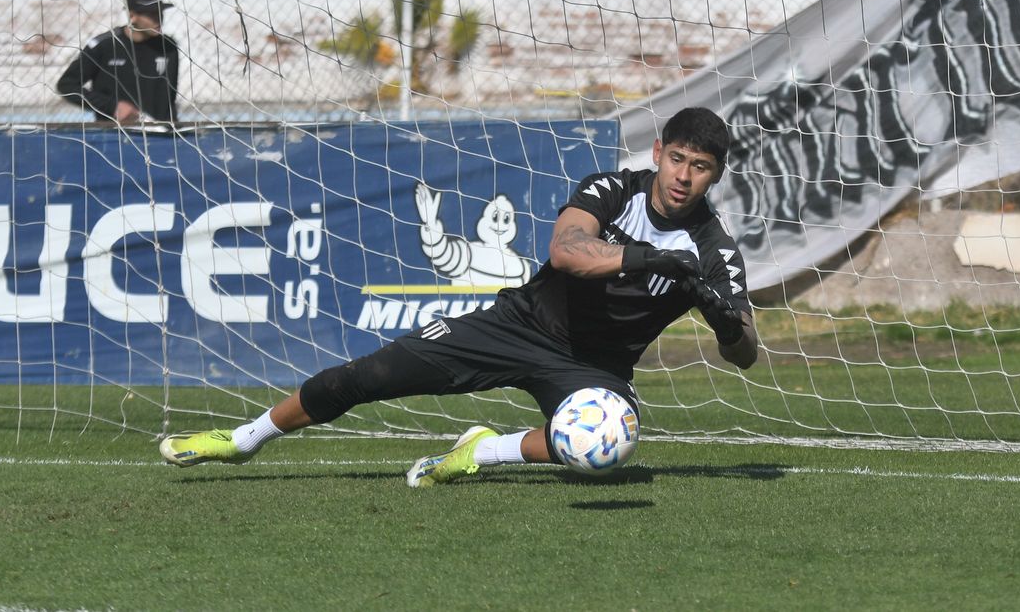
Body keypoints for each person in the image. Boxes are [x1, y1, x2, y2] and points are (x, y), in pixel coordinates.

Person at [160, 107, 759, 487]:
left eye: (700, 166)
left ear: (715, 174)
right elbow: (566, 251)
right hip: (518, 325)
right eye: (677, 158)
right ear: (657, 153)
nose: (683, 176)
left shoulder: (713, 248)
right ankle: (242, 441)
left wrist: (727, 325)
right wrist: (647, 257)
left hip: (595, 368)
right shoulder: (613, 189)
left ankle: (484, 451)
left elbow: (747, 351)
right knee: (367, 376)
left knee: (609, 443)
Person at [56, 0, 179, 124]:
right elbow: (67, 85)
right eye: (151, 14)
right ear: (133, 16)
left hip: (159, 134)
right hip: (113, 135)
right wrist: (113, 106)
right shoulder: (104, 46)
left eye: (160, 12)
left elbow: (170, 96)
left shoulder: (169, 46)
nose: (158, 19)